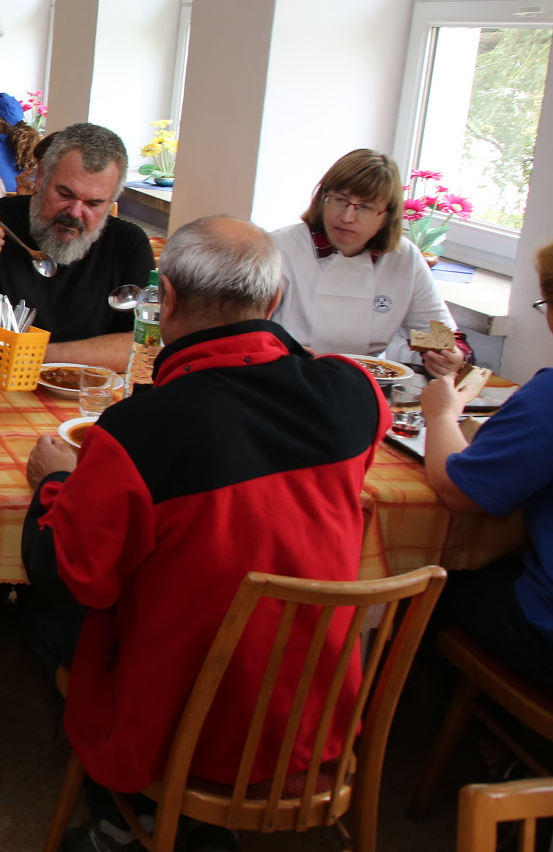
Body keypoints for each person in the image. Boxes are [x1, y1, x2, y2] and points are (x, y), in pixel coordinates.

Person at [21, 216, 384, 851]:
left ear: (166, 301)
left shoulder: (139, 430)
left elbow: (75, 574)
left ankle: (124, 818)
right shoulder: (353, 392)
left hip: (189, 721)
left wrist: (56, 484)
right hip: (315, 707)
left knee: (40, 613)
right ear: (275, 299)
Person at [417, 239, 553, 694]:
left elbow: (459, 491)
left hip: (546, 631)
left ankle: (430, 713)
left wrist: (442, 410)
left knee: (430, 589)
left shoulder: (548, 399)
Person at [0, 123, 153, 371]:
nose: (75, 212)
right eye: (65, 195)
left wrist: (28, 356)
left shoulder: (128, 243)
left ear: (113, 199)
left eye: (93, 203)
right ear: (41, 178)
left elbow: (142, 344)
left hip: (82, 393)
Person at [272, 149, 465, 373]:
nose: (347, 217)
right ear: (322, 200)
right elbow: (244, 331)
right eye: (339, 200)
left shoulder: (404, 258)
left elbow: (443, 336)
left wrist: (452, 358)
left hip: (365, 379)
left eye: (365, 207)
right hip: (288, 374)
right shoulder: (280, 248)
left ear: (387, 216)